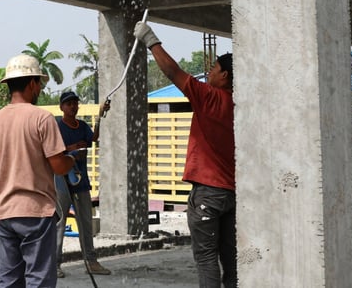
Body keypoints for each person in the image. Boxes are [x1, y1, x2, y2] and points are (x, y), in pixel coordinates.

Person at [134, 21, 236, 288]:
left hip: (208, 193)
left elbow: (172, 71)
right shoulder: (241, 105)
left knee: (206, 258)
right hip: (233, 194)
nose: (209, 72)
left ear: (224, 75)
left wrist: (150, 39)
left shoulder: (210, 97)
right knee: (231, 258)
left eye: (213, 68)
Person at [0, 54, 78, 287]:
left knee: (9, 280)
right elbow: (58, 165)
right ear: (33, 83)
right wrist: (72, 161)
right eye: (39, 83)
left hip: (5, 212)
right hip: (36, 212)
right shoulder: (42, 118)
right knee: (39, 279)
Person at [54, 91, 111, 278]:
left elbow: (93, 138)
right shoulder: (57, 126)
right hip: (61, 179)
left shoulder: (82, 126)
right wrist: (69, 150)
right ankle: (55, 264)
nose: (72, 106)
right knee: (59, 223)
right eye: (68, 104)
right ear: (62, 107)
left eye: (75, 103)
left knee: (85, 223)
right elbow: (51, 149)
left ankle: (91, 262)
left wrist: (100, 116)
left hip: (80, 180)